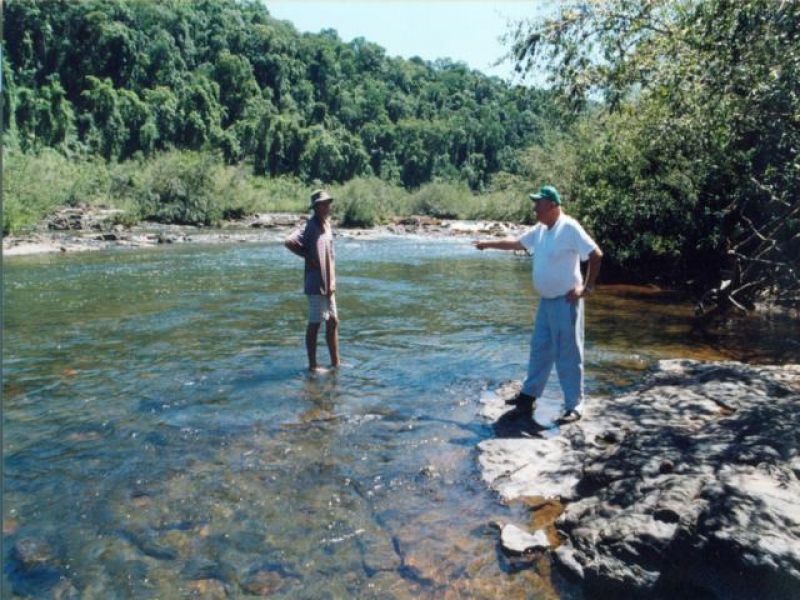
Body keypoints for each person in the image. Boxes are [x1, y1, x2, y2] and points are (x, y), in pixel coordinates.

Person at [473, 185, 602, 423]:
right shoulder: (541, 230)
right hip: (546, 302)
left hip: (566, 301)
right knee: (540, 349)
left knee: (568, 354)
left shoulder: (569, 227)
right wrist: (487, 244)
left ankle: (574, 405)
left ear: (552, 205)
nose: (534, 208)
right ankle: (528, 397)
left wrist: (587, 287)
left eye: (538, 204)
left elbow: (595, 254)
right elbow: (516, 243)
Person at [285, 189, 340, 372]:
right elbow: (289, 241)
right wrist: (308, 256)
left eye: (328, 203)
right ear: (316, 207)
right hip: (315, 283)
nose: (327, 206)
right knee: (315, 324)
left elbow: (330, 255)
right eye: (324, 203)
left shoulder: (327, 224)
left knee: (333, 322)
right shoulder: (310, 225)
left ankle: (335, 362)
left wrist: (333, 281)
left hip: (329, 284)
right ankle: (313, 366)